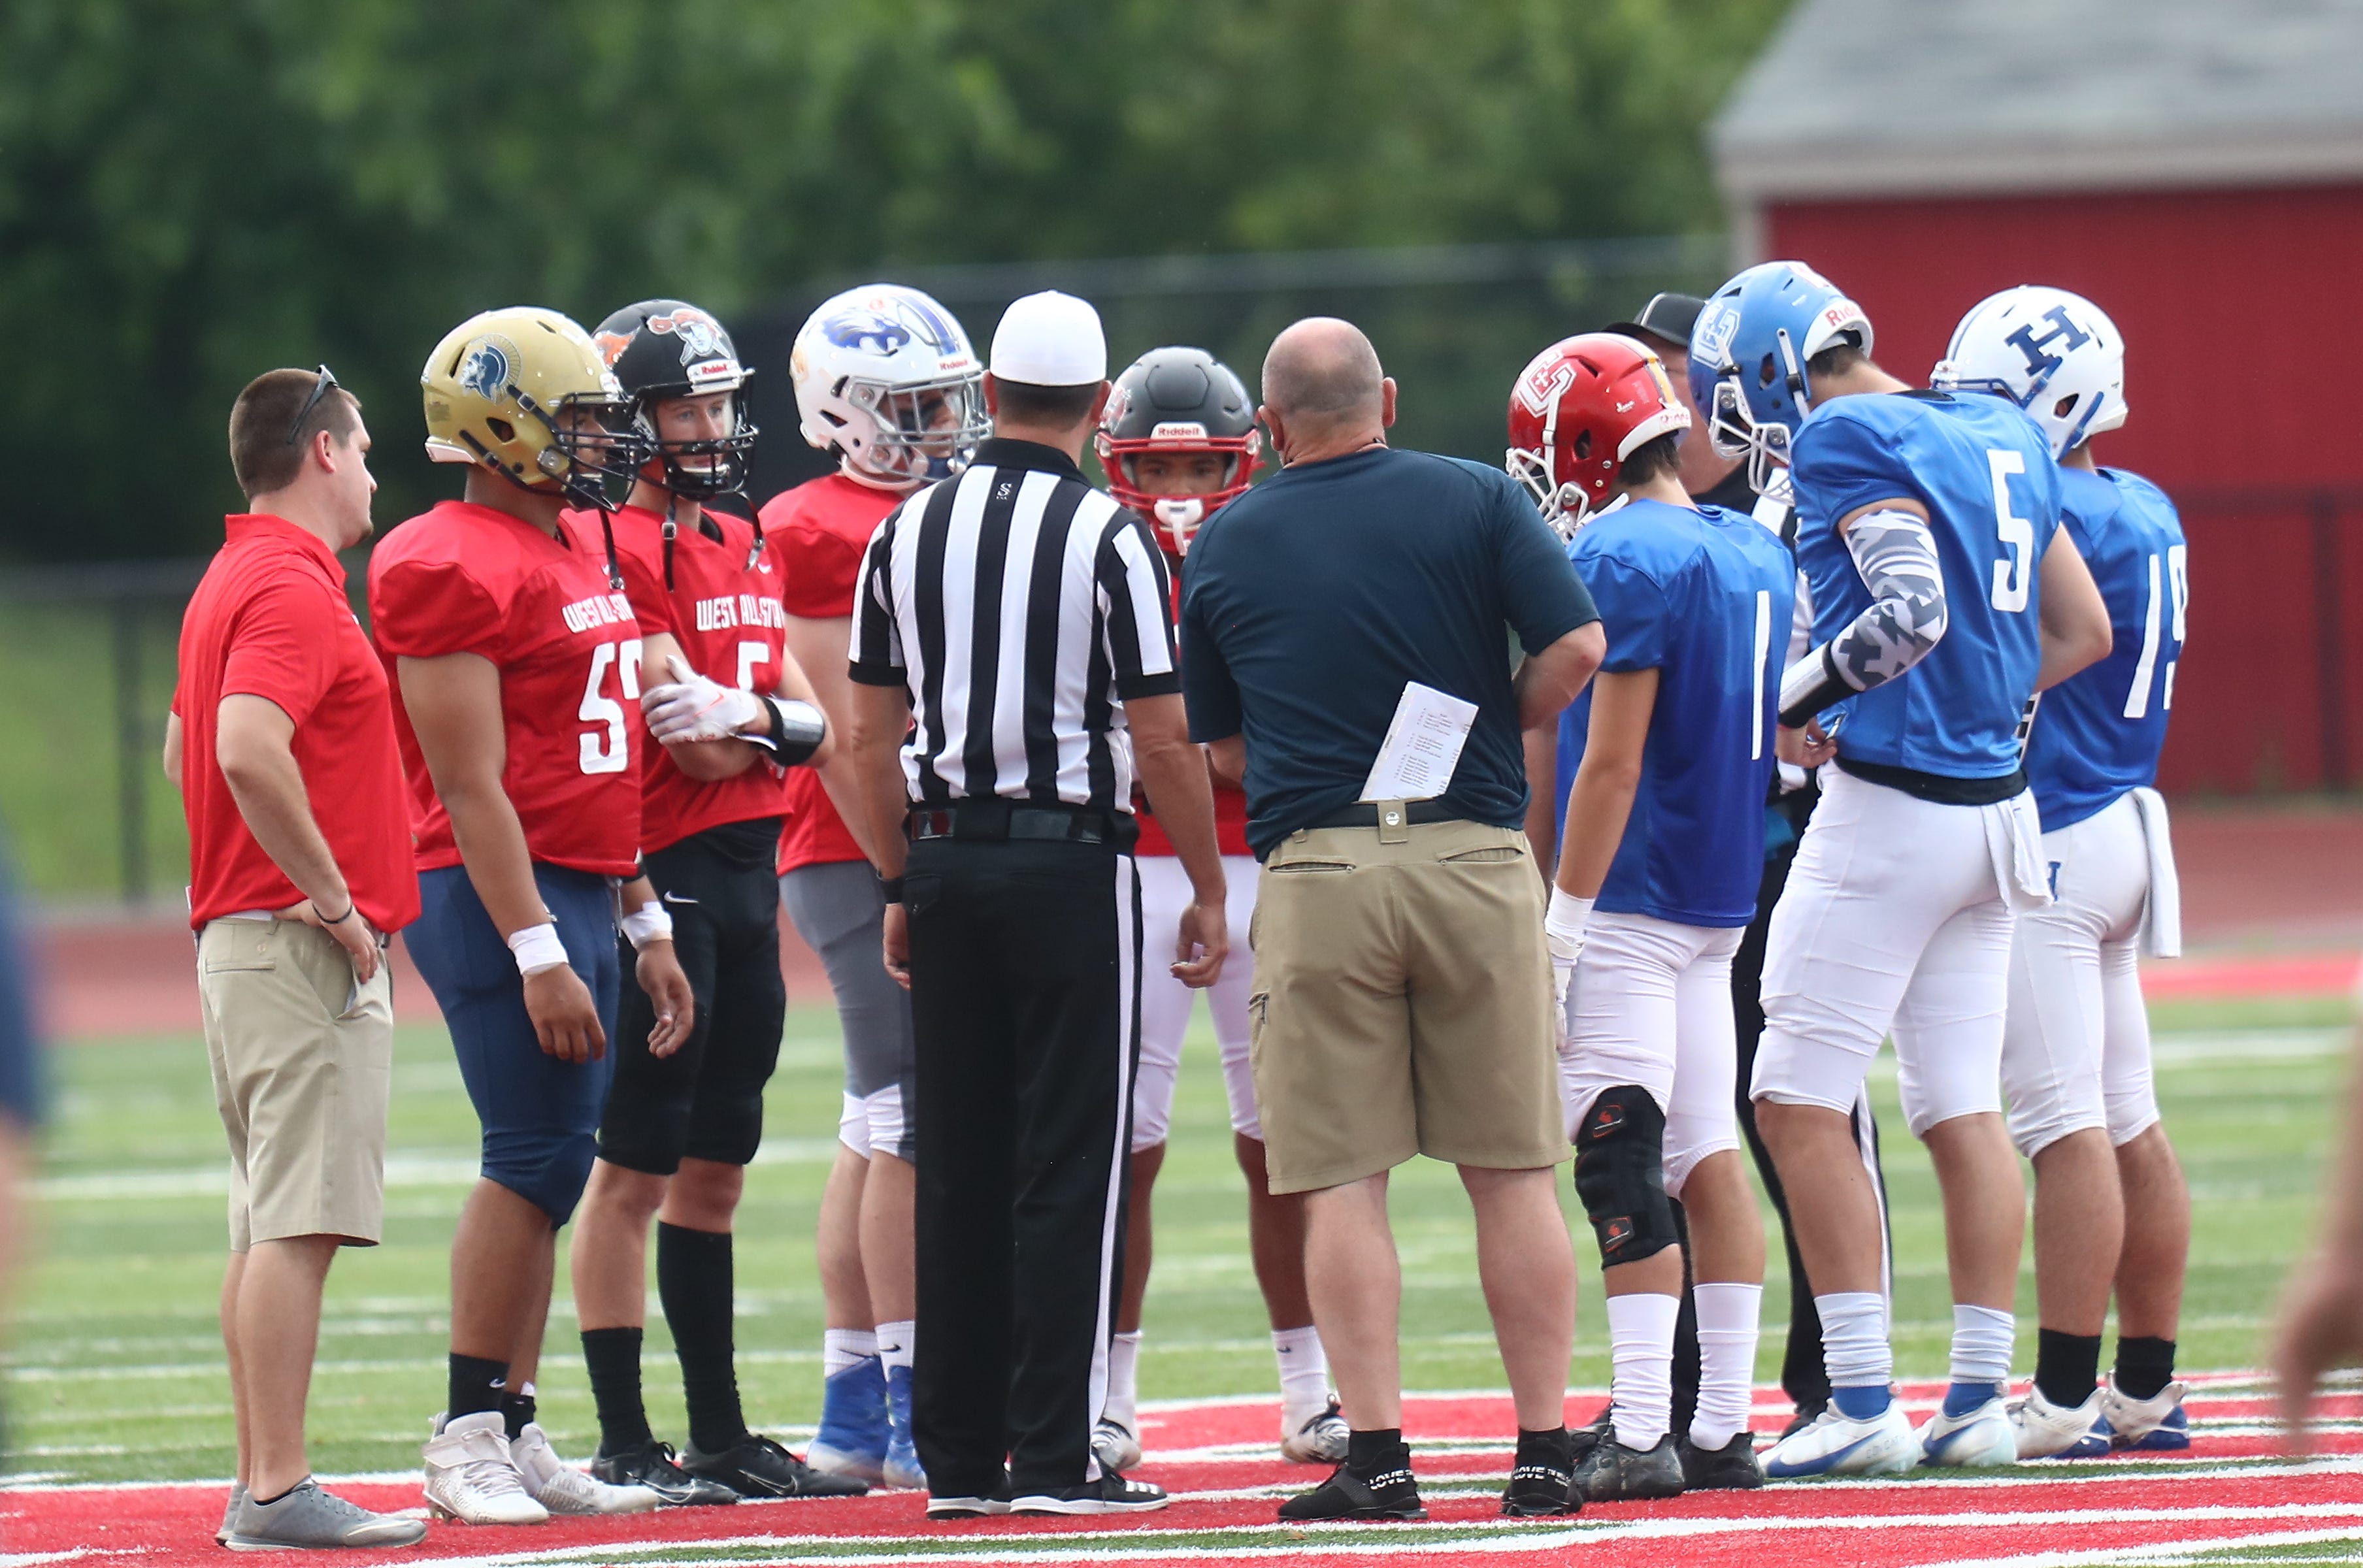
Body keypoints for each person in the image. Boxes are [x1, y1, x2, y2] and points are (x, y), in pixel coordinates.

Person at [1690, 261, 2113, 1477]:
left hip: (1893, 811)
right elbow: (2075, 630)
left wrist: (1788, 705)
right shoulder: (2002, 428)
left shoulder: (1846, 436)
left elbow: (1910, 613)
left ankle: (1864, 1397)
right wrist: (1976, 706)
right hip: (1999, 810)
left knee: (1793, 1097)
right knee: (1961, 1108)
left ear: (1771, 367)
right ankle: (1975, 1400)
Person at [1180, 316, 1604, 1522]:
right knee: (1513, 1174)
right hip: (1473, 853)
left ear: (1269, 426)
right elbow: (1578, 645)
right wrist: (1494, 726)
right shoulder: (1479, 498)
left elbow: (1222, 748)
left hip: (1321, 868)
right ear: (1392, 400)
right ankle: (1540, 1453)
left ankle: (1378, 1457)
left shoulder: (1225, 539)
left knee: (1341, 1182)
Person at [840, 290, 1231, 1518]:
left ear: (990, 393)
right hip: (1071, 865)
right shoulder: (1111, 535)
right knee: (1071, 1160)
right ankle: (1056, 1457)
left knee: (956, 1158)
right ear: (1098, 404)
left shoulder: (904, 530)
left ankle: (959, 1464)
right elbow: (1163, 738)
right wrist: (1205, 881)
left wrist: (897, 877)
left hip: (943, 858)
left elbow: (865, 737)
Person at [369, 307, 693, 1524]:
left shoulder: (567, 543)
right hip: (493, 889)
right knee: (530, 1157)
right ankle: (464, 1435)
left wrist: (644, 916)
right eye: (582, 422)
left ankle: (510, 1419)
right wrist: (538, 947)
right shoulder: (441, 559)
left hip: (577, 879)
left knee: (558, 1163)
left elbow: (586, 768)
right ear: (504, 426)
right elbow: (471, 787)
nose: (605, 443)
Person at [563, 300, 861, 1503]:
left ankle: (723, 1433)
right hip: (663, 873)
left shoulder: (741, 537)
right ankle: (626, 1438)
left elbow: (819, 725)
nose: (710, 425)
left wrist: (754, 718)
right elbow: (689, 744)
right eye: (684, 405)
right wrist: (763, 725)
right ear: (630, 420)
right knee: (634, 1167)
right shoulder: (611, 544)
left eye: (720, 402)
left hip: (747, 874)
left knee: (717, 1169)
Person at [1605, 289, 1893, 1441]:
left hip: (1779, 844)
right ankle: (1677, 1394)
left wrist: (1803, 722)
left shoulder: (1790, 492)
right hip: (1679, 856)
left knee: (1800, 1110)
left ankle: (1839, 1375)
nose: (1667, 398)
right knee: (1674, 1130)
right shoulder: (1648, 519)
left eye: (1679, 372)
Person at [1508, 333, 1789, 1500]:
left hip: (1634, 892)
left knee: (1618, 1150)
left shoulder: (1623, 550)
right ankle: (1720, 1426)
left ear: (1582, 444)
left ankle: (1640, 1429)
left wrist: (1562, 919)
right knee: (1706, 1151)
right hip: (1720, 893)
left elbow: (1611, 762)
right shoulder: (1748, 545)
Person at [164, 367, 424, 1550]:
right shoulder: (291, 583)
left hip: (250, 937)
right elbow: (240, 747)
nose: (372, 472)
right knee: (298, 1225)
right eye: (362, 449)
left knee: (269, 1224)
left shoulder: (234, 575)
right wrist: (331, 897)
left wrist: (244, 874)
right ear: (322, 452)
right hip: (293, 942)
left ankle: (258, 1481)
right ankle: (277, 1486)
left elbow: (184, 751)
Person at [1934, 287, 2194, 1456]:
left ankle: (2066, 1397)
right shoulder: (2147, 502)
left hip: (2060, 827)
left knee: (2062, 1123)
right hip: (2129, 817)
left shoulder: (2051, 507)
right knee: (2128, 1116)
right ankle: (2147, 1386)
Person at [1089, 345, 1347, 1475]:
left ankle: (1310, 1389)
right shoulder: (1092, 555)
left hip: (1261, 860)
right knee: (1124, 1147)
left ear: (1244, 463)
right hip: (1135, 865)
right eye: (1157, 468)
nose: (1181, 493)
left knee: (1286, 1141)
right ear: (1119, 463)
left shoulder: (1282, 549)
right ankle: (1108, 1396)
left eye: (1202, 469)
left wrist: (1212, 758)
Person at [764, 282, 988, 1493]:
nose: (941, 425)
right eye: (913, 405)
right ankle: (910, 1401)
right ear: (842, 410)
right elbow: (840, 734)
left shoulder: (930, 508)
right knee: (907, 1118)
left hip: (891, 840)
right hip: (857, 842)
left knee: (872, 1121)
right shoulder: (812, 524)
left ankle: (855, 1409)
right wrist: (902, 869)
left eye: (947, 401)